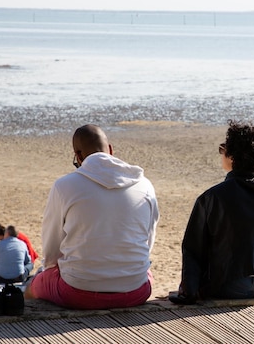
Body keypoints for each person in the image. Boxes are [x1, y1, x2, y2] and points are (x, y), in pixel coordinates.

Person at [25, 124, 159, 309]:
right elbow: (147, 242)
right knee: (145, 270)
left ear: (78, 156)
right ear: (110, 150)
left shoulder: (64, 186)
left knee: (34, 285)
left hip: (77, 292)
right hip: (136, 291)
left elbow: (51, 251)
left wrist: (50, 270)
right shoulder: (145, 185)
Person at [170, 120, 254, 304]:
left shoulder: (211, 197)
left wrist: (189, 293)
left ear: (232, 156)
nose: (222, 154)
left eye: (223, 149)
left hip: (231, 286)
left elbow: (193, 249)